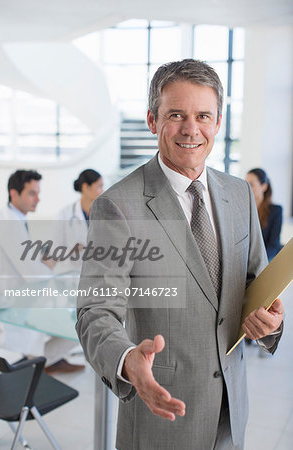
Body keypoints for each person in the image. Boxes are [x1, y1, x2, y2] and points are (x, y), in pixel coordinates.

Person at [76, 59, 284, 449]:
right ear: (153, 120)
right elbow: (95, 312)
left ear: (218, 123)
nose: (191, 129)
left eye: (203, 115)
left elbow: (255, 282)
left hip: (230, 413)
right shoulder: (117, 206)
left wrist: (270, 323)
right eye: (176, 115)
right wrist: (126, 361)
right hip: (161, 419)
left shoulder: (239, 194)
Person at [0, 170, 85, 373]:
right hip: (14, 305)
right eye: (31, 193)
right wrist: (53, 263)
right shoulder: (9, 223)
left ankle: (44, 361)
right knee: (80, 324)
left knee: (73, 322)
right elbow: (35, 275)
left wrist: (54, 257)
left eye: (38, 193)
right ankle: (43, 362)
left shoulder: (13, 218)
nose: (38, 198)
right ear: (14, 194)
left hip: (22, 300)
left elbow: (27, 261)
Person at [53, 169, 103, 273]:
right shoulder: (65, 214)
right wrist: (73, 250)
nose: (102, 191)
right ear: (85, 187)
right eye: (99, 187)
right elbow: (56, 252)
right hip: (69, 274)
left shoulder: (104, 214)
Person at [245, 168, 282, 261]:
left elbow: (273, 245)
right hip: (244, 261)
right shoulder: (242, 209)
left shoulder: (275, 211)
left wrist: (258, 261)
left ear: (264, 186)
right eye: (245, 184)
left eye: (251, 184)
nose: (247, 187)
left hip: (264, 259)